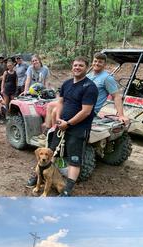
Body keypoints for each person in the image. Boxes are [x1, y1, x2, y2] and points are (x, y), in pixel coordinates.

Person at [27, 56, 97, 196]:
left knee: (74, 158)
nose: (77, 67)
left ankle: (68, 189)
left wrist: (69, 123)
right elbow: (60, 103)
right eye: (75, 65)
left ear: (86, 68)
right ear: (72, 66)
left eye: (81, 66)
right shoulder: (66, 84)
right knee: (50, 151)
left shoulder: (90, 87)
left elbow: (86, 111)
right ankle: (39, 175)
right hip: (61, 125)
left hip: (78, 128)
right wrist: (58, 118)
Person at [87, 52, 129, 123]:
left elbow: (116, 96)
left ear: (104, 64)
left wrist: (121, 115)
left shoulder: (107, 78)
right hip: (78, 107)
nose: (97, 63)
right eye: (95, 61)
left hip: (90, 111)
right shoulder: (87, 76)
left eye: (100, 62)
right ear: (92, 62)